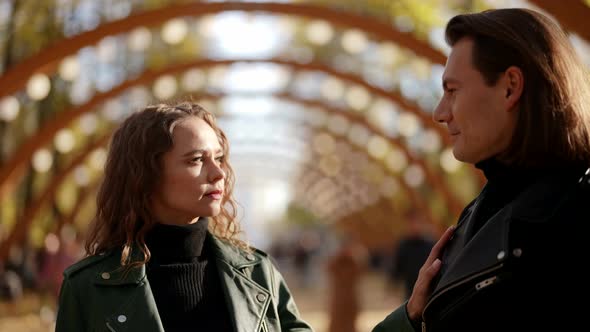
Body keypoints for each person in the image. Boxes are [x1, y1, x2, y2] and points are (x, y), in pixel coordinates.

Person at [373, 8, 590, 332]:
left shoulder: (570, 224)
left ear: (510, 87)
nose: (439, 112)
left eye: (452, 90)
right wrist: (412, 317)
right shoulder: (484, 212)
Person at [55, 102, 314, 332]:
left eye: (219, 158)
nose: (218, 173)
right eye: (196, 160)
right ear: (146, 175)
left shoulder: (256, 273)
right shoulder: (89, 287)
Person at [388, 212, 435, 300]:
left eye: (417, 223)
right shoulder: (403, 245)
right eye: (412, 223)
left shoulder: (429, 245)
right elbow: (398, 267)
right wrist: (392, 284)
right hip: (410, 291)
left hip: (428, 290)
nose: (415, 226)